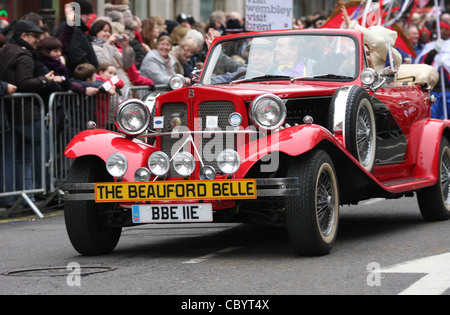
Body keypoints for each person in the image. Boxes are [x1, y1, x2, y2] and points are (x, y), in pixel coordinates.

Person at [0, 20, 54, 205]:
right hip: (27, 112)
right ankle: (39, 190)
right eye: (34, 36)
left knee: (12, 156)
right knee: (37, 151)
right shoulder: (23, 55)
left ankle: (15, 197)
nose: (37, 41)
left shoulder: (6, 50)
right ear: (24, 36)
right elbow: (24, 83)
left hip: (10, 112)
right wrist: (44, 80)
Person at [341, 6, 402, 74]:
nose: (367, 39)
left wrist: (354, 26)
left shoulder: (394, 55)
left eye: (370, 35)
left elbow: (379, 43)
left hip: (381, 84)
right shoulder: (366, 51)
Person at [89, 19, 134, 95]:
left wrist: (125, 47)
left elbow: (126, 64)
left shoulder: (112, 46)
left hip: (122, 85)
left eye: (109, 31)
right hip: (110, 89)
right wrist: (108, 44)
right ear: (96, 32)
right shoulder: (93, 47)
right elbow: (104, 64)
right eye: (105, 31)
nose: (108, 34)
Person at [56, 0, 99, 77]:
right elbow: (77, 55)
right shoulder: (73, 30)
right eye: (87, 14)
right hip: (81, 76)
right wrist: (90, 72)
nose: (89, 18)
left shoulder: (78, 29)